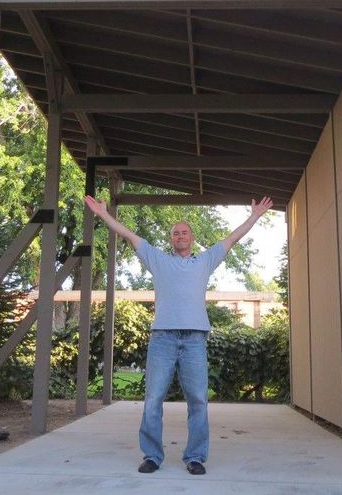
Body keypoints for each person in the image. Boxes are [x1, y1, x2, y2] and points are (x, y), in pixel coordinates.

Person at [83, 194, 273, 476]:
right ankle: (152, 455)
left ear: (192, 238)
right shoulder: (157, 259)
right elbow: (128, 234)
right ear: (171, 240)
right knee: (153, 399)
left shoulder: (205, 261)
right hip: (163, 338)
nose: (180, 236)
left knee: (197, 399)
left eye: (184, 232)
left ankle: (195, 457)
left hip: (195, 339)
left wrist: (255, 216)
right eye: (175, 233)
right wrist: (102, 214)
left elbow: (232, 238)